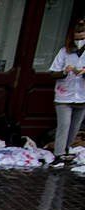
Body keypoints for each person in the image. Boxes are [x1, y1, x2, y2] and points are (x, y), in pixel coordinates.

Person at [49, 18, 85, 165]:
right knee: (64, 125)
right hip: (64, 96)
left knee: (74, 128)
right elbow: (53, 72)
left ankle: (66, 149)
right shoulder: (64, 52)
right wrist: (64, 71)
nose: (79, 41)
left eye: (82, 38)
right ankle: (59, 154)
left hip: (82, 96)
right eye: (77, 38)